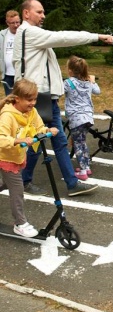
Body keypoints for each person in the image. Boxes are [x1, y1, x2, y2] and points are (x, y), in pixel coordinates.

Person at [12, 0, 113, 197]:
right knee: (54, 141)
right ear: (26, 13)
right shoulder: (30, 32)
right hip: (39, 99)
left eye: (43, 12)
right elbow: (63, 37)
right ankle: (70, 183)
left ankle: (26, 180)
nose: (43, 15)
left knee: (42, 141)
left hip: (42, 98)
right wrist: (97, 36)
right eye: (39, 12)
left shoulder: (31, 35)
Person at [0, 79, 58, 237]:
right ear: (17, 99)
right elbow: (1, 138)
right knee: (17, 189)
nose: (33, 103)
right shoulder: (8, 116)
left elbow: (38, 126)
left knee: (5, 183)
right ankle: (19, 223)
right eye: (29, 99)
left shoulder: (31, 112)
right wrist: (18, 140)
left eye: (35, 99)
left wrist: (47, 130)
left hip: (17, 156)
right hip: (5, 157)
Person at [64, 56, 100, 180]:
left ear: (70, 70)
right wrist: (93, 80)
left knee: (78, 144)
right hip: (88, 117)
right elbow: (97, 91)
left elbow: (59, 92)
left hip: (76, 118)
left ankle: (83, 171)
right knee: (83, 142)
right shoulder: (88, 82)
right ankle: (87, 166)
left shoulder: (68, 83)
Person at [0, 10, 21, 95]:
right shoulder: (2, 35)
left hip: (22, 75)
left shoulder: (24, 33)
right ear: (7, 23)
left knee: (22, 99)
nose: (16, 25)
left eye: (18, 22)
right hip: (7, 75)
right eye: (12, 23)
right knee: (9, 100)